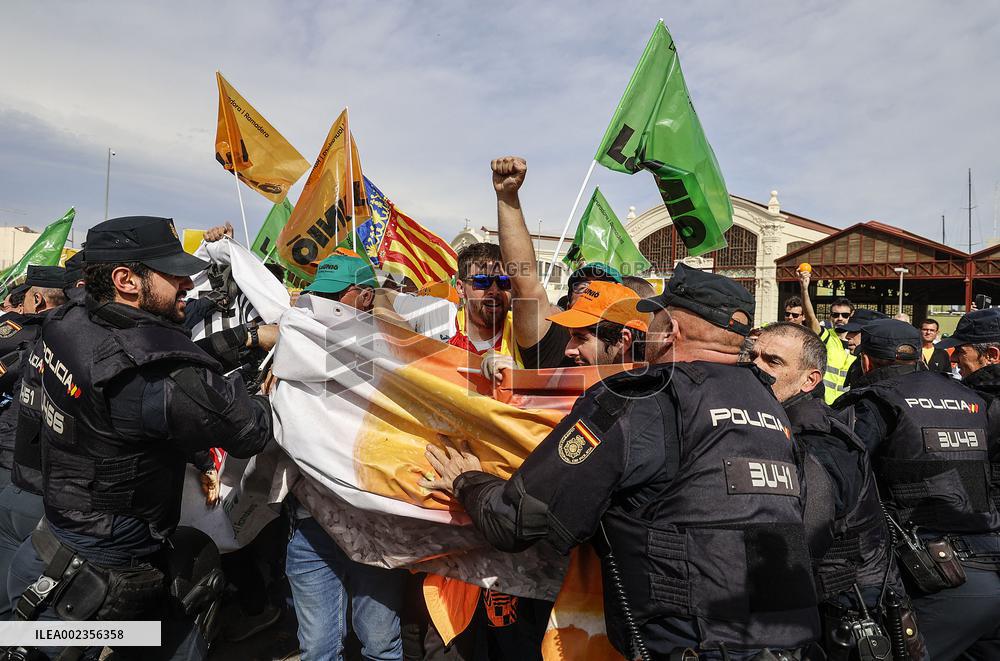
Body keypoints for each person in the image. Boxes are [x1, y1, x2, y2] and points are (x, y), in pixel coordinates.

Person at [423, 263, 820, 659]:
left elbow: (519, 520)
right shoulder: (772, 406)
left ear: (671, 331)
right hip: (792, 644)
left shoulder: (640, 400)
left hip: (691, 646)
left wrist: (467, 481)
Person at [5, 216, 274, 661]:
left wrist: (243, 338)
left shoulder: (70, 321)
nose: (187, 282)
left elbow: (152, 362)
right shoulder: (150, 376)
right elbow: (250, 430)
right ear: (125, 280)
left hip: (48, 550)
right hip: (93, 603)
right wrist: (268, 390)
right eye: (172, 273)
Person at [751, 323, 923, 659]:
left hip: (851, 612)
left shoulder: (817, 442)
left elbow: (802, 540)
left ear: (810, 380)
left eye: (773, 361)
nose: (756, 366)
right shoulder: (775, 425)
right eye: (751, 355)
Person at [834, 319, 1000, 660]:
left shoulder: (873, 402)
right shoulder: (972, 398)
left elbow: (841, 479)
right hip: (989, 555)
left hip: (932, 572)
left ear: (865, 361)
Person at [284, 252, 408, 661]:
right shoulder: (298, 343)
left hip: (374, 524)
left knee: (380, 644)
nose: (324, 305)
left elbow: (427, 370)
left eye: (338, 296)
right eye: (320, 295)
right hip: (310, 526)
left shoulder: (395, 353)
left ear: (366, 297)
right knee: (317, 648)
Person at [491, 156, 619, 369]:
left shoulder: (638, 364)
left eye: (602, 286)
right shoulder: (556, 345)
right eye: (581, 286)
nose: (590, 292)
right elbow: (525, 284)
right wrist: (507, 196)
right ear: (569, 303)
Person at [0, 267, 67, 618]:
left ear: (37, 300)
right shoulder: (77, 337)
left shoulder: (26, 332)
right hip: (55, 486)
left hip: (16, 468)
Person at [545, 281, 647, 366]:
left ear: (623, 341)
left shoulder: (653, 389)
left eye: (581, 338)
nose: (568, 351)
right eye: (571, 336)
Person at [799, 269, 855, 404]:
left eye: (844, 315)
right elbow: (811, 318)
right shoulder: (828, 337)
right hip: (823, 404)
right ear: (830, 316)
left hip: (846, 406)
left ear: (852, 315)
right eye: (835, 315)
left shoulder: (859, 343)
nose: (839, 318)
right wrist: (804, 289)